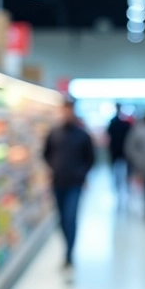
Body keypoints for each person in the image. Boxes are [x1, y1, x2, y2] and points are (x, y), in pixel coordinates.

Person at [42, 99, 95, 273]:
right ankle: (67, 248)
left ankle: (69, 255)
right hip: (57, 182)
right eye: (64, 110)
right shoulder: (54, 133)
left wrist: (82, 174)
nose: (66, 113)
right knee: (61, 220)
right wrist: (52, 168)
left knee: (70, 218)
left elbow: (90, 159)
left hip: (75, 184)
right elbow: (45, 154)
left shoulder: (82, 135)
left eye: (69, 110)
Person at [106, 107, 133, 194]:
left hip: (118, 153)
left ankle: (121, 190)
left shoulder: (116, 123)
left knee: (119, 174)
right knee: (120, 174)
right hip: (120, 153)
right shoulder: (123, 124)